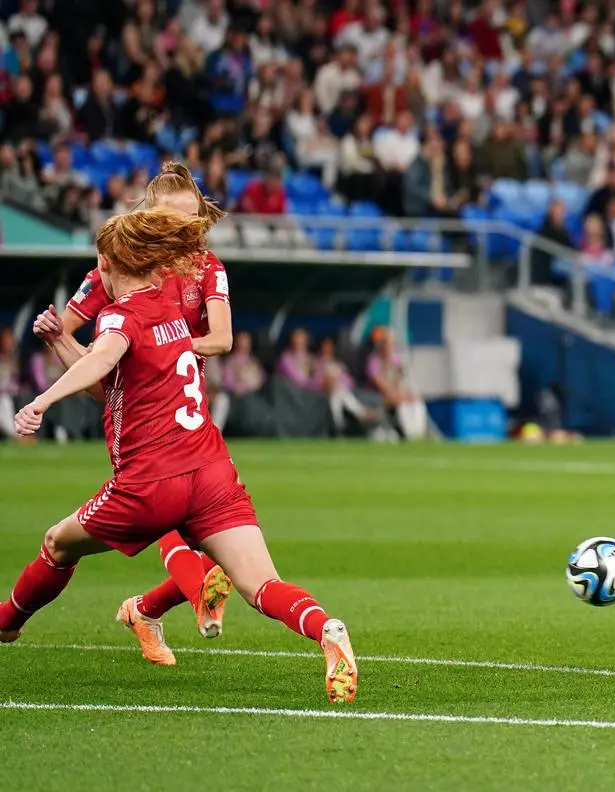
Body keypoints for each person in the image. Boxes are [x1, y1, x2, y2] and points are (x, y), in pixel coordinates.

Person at [4, 208, 358, 703]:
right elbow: (115, 384)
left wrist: (41, 400)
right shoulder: (172, 312)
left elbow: (105, 359)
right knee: (261, 585)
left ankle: (7, 624)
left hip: (150, 482)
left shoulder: (119, 315)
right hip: (212, 472)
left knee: (58, 543)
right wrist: (62, 340)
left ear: (106, 264)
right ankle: (326, 629)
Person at [39, 162, 238, 664]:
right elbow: (63, 328)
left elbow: (223, 338)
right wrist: (83, 349)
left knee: (224, 547)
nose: (188, 232)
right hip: (140, 414)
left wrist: (168, 346)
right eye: (176, 220)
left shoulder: (206, 266)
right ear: (151, 219)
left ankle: (143, 611)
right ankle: (192, 599)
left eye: (194, 220)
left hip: (190, 412)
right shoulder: (116, 268)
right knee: (174, 509)